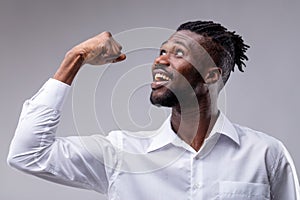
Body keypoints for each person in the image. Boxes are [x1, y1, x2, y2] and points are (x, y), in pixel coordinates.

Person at [7, 21, 300, 199]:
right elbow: (28, 154)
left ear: (211, 75)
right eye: (162, 51)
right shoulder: (121, 154)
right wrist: (75, 58)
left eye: (179, 54)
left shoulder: (266, 155)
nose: (160, 61)